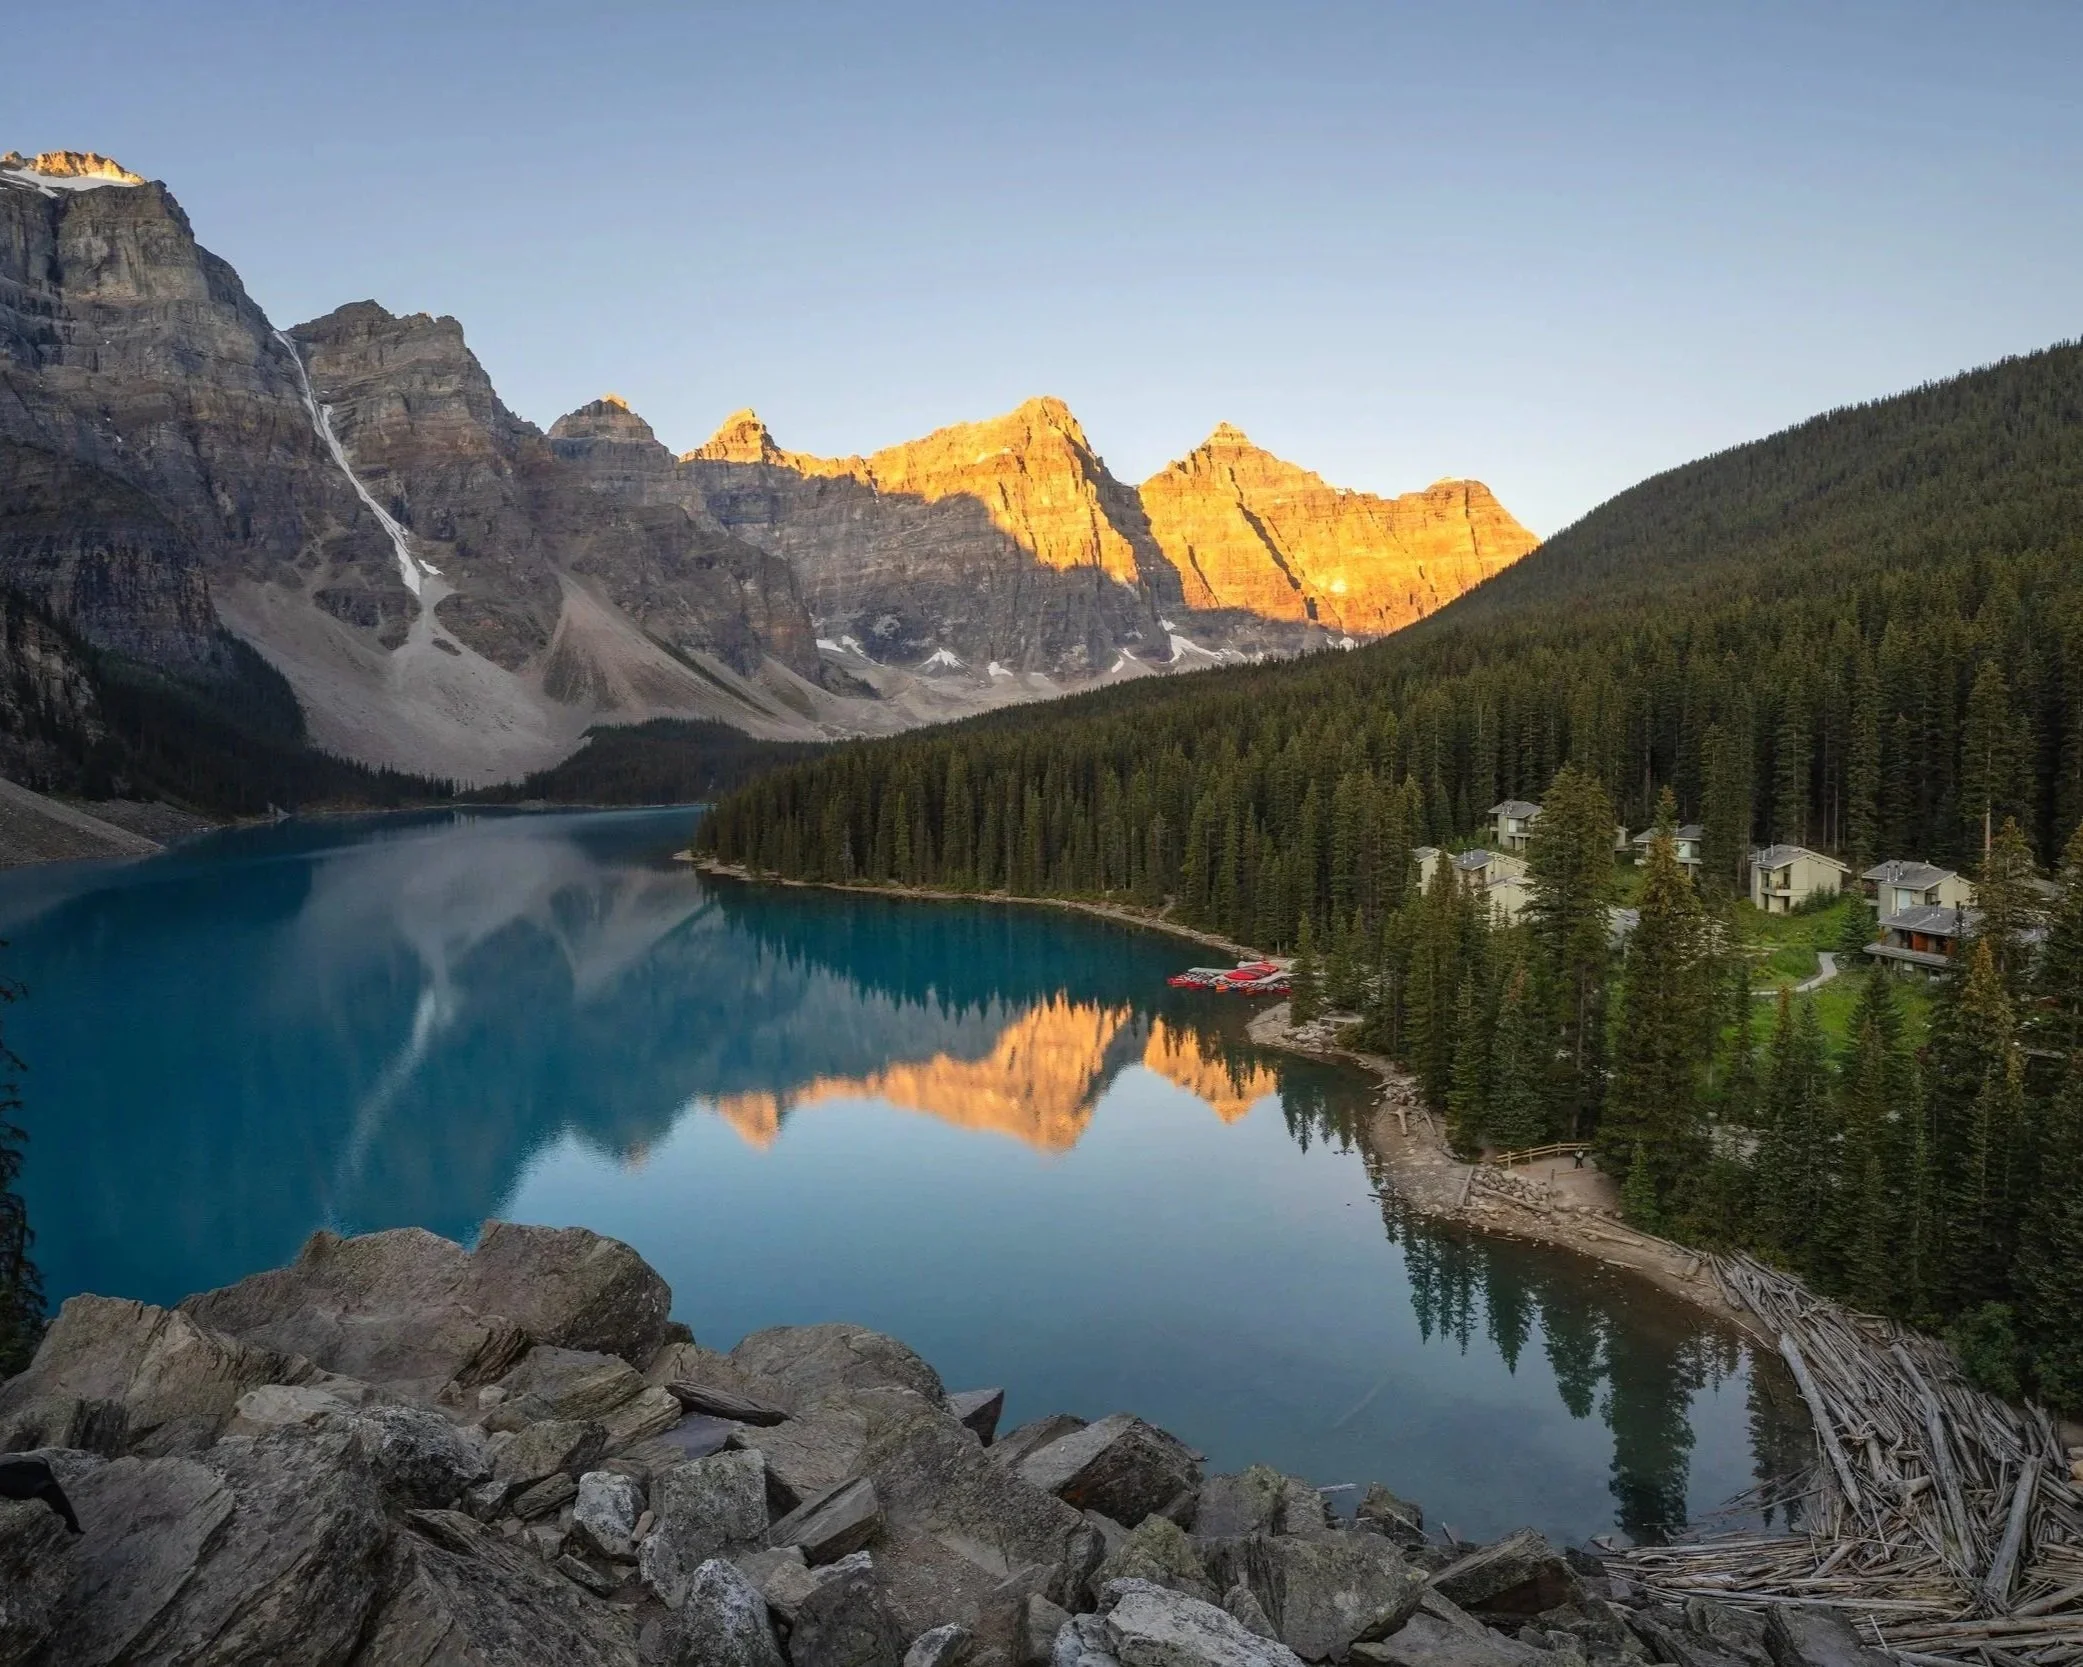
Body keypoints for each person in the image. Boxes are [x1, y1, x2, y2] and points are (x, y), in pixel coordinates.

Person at [0, 1454, 82, 1533]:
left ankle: (72, 1527)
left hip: (34, 1469)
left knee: (51, 1493)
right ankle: (72, 1527)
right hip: (32, 1467)